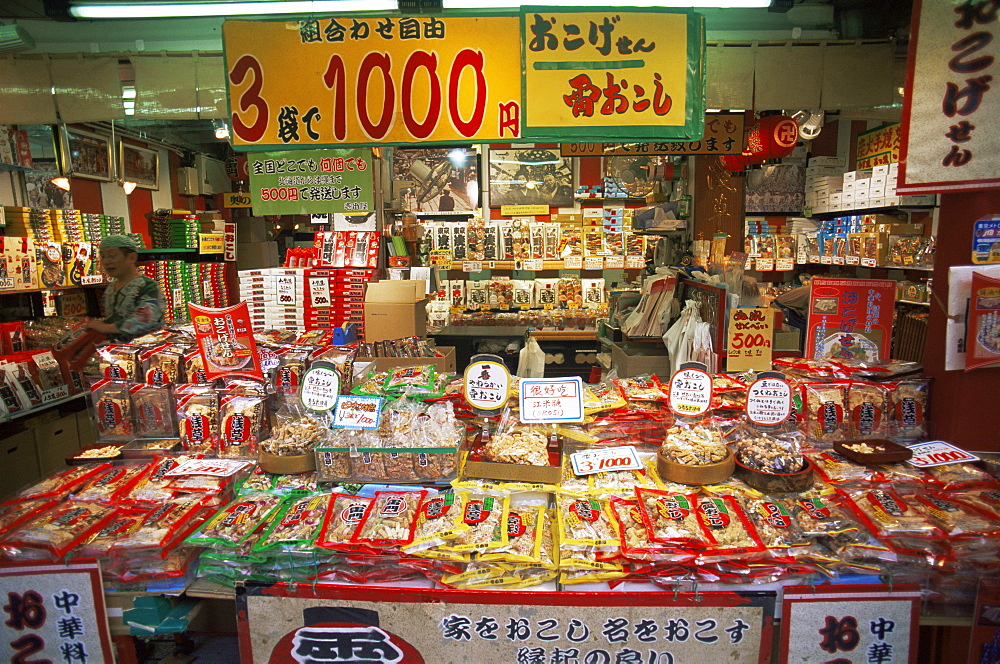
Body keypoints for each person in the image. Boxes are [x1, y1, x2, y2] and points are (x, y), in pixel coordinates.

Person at [84, 235, 165, 341]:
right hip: (116, 350)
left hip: (144, 349)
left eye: (112, 256)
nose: (106, 261)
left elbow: (146, 319)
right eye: (103, 257)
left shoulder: (147, 286)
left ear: (132, 257)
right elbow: (113, 318)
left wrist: (106, 327)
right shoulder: (111, 288)